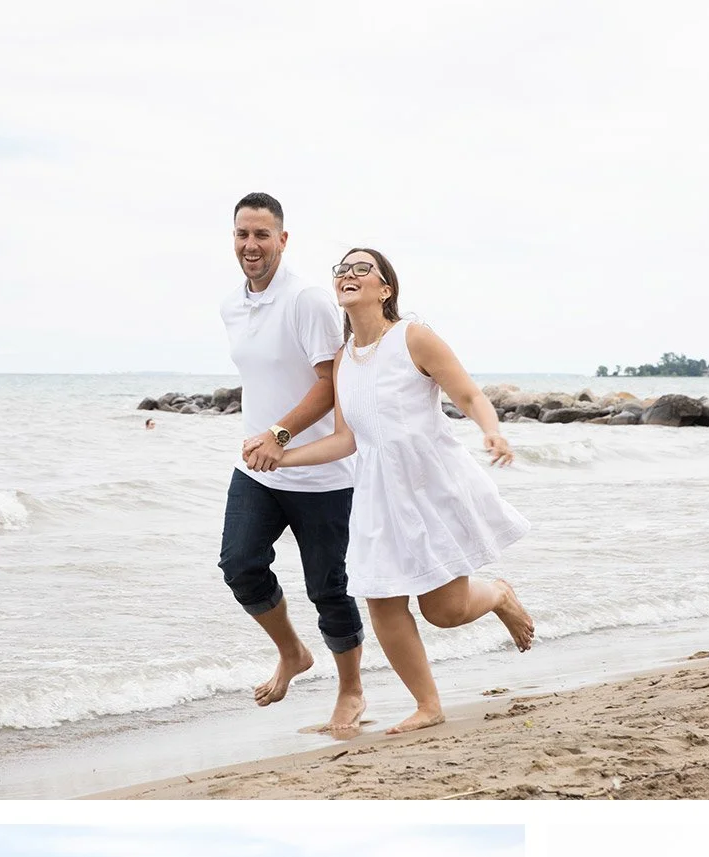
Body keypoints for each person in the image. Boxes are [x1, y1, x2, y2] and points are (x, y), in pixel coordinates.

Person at [244, 246, 534, 735]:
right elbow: (345, 439)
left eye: (362, 268)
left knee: (444, 611)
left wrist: (492, 429)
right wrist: (282, 456)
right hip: (378, 492)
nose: (348, 275)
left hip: (431, 485)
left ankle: (500, 595)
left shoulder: (413, 338)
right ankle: (428, 705)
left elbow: (467, 394)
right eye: (342, 269)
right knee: (380, 598)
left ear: (385, 288)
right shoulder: (342, 361)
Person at [220, 192, 367, 738]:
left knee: (329, 589)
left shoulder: (307, 300)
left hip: (321, 474)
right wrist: (264, 442)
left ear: (283, 240)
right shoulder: (230, 304)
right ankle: (293, 653)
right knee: (240, 566)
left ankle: (351, 689)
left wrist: (280, 433)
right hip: (259, 469)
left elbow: (333, 383)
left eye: (262, 235)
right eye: (242, 234)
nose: (251, 245)